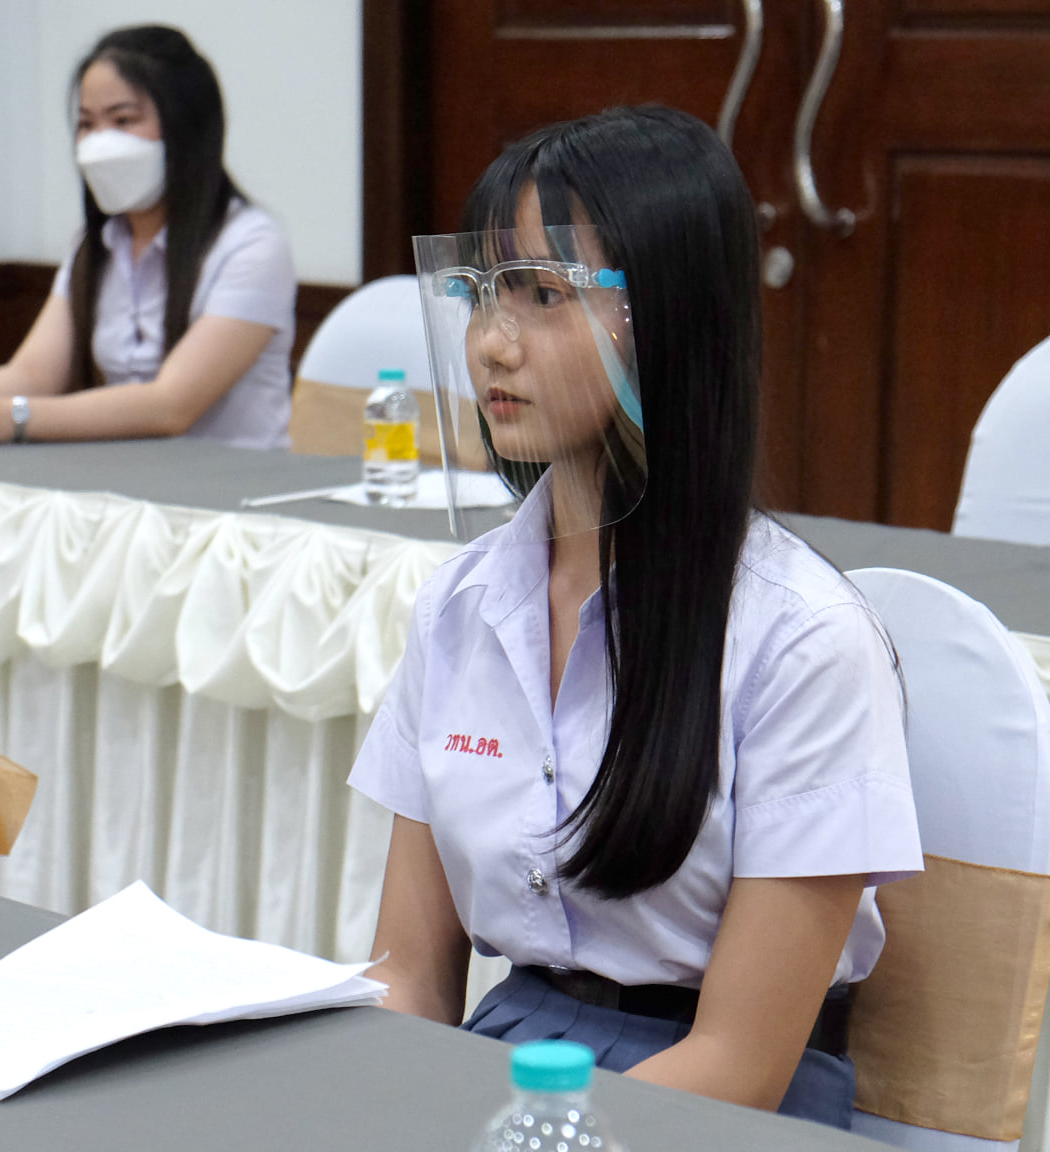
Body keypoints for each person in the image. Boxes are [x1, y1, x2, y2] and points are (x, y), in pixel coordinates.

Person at [350, 106, 921, 1128]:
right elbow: (409, 978)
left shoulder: (802, 641)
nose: (492, 341)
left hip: (723, 1107)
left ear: (666, 318)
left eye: (541, 294)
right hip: (512, 1066)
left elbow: (739, 1064)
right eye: (479, 293)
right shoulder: (459, 605)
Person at [0, 25, 296, 450]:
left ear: (185, 127)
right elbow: (34, 374)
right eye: (87, 124)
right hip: (131, 487)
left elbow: (171, 405)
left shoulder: (252, 247)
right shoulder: (96, 244)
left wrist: (8, 417)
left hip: (233, 496)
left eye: (123, 120)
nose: (101, 143)